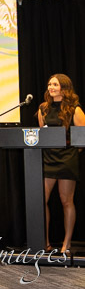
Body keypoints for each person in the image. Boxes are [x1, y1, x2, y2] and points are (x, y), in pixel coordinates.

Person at [37, 73, 85, 255]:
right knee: (41, 200)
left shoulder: (75, 109)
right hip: (48, 158)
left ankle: (67, 243)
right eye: (50, 84)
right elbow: (42, 135)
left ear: (64, 88)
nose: (51, 87)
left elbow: (82, 138)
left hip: (67, 159)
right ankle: (45, 242)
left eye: (55, 84)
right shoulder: (43, 108)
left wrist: (70, 153)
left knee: (66, 201)